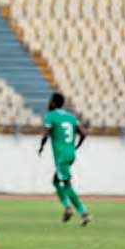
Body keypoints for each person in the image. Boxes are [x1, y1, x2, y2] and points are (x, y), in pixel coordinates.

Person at [38, 92, 89, 225]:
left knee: (67, 185)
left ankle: (83, 212)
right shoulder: (71, 117)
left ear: (54, 102)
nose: (48, 103)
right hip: (70, 153)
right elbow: (83, 134)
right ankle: (67, 207)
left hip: (61, 156)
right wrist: (75, 147)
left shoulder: (50, 116)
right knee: (55, 181)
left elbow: (45, 134)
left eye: (50, 101)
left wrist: (41, 147)